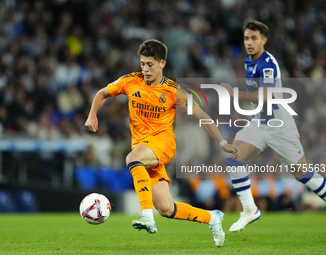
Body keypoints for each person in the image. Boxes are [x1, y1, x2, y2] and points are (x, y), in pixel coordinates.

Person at [85, 39, 240, 247]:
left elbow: (201, 114)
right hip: (144, 148)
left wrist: (222, 143)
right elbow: (102, 93)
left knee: (132, 158)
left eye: (150, 64)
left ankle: (147, 216)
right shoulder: (130, 81)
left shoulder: (172, 90)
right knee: (167, 209)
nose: (145, 69)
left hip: (163, 143)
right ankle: (213, 218)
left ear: (162, 63)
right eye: (142, 64)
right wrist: (92, 114)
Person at [221, 20, 326, 232]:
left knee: (302, 173)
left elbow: (267, 96)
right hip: (259, 123)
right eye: (246, 38)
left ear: (264, 40)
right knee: (233, 159)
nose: (249, 43)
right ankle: (250, 210)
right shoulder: (248, 60)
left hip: (279, 125)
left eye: (254, 38)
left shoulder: (267, 63)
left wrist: (236, 94)